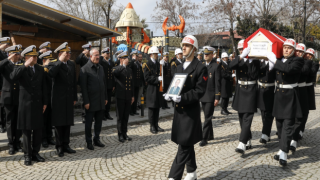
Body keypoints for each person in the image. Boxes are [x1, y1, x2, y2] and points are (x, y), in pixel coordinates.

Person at [164, 35, 207, 180]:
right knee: (186, 142)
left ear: (194, 49)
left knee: (184, 145)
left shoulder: (200, 68)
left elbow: (199, 91)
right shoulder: (179, 67)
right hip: (179, 112)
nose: (183, 48)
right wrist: (170, 94)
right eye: (183, 45)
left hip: (190, 113)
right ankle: (192, 171)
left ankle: (173, 177)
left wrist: (183, 98)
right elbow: (175, 85)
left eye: (187, 46)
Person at [267, 39, 304, 166]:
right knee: (279, 126)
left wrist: (275, 61)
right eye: (284, 48)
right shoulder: (279, 60)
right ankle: (281, 148)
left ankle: (283, 152)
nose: (286, 50)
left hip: (290, 97)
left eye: (289, 48)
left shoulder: (298, 60)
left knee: (288, 125)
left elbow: (288, 69)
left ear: (293, 50)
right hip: (278, 96)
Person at [10, 45, 48, 166]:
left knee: (37, 130)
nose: (35, 58)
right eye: (32, 56)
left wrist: (45, 102)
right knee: (26, 131)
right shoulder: (20, 68)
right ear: (26, 57)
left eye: (36, 56)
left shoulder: (40, 69)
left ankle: (36, 153)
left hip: (38, 103)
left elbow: (44, 87)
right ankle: (27, 155)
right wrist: (25, 65)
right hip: (25, 104)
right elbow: (13, 77)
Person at [45, 42, 78, 156]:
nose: (69, 55)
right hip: (58, 99)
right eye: (66, 53)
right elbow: (51, 74)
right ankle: (59, 146)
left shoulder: (71, 64)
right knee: (59, 124)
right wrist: (60, 61)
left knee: (67, 122)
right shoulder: (53, 64)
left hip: (68, 98)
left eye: (69, 53)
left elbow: (73, 82)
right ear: (60, 54)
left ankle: (66, 144)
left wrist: (74, 97)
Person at [229, 39, 260, 155]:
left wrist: (251, 61)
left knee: (247, 117)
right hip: (240, 90)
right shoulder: (239, 59)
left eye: (243, 49)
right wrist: (241, 56)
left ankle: (242, 143)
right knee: (241, 116)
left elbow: (254, 75)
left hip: (251, 90)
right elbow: (230, 66)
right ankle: (248, 139)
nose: (242, 51)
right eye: (240, 49)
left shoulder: (255, 60)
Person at [79, 48, 108, 150]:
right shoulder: (84, 69)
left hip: (100, 100)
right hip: (90, 102)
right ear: (90, 56)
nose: (98, 57)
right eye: (95, 55)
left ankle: (97, 139)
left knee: (99, 122)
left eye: (98, 55)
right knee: (88, 123)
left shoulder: (101, 67)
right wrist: (86, 101)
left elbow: (103, 84)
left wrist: (105, 97)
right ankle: (89, 141)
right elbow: (84, 88)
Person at [0, 44, 23, 155]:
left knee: (18, 121)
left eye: (18, 53)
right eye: (16, 54)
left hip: (19, 97)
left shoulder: (21, 64)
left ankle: (17, 142)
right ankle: (11, 144)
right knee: (9, 122)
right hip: (8, 97)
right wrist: (7, 59)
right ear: (11, 54)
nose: (18, 56)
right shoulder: (5, 64)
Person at [289, 44, 312, 152]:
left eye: (300, 52)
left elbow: (305, 71)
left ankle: (294, 138)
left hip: (301, 91)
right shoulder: (291, 60)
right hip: (290, 89)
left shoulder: (306, 62)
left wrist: (293, 67)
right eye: (297, 51)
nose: (298, 53)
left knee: (300, 114)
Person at [199, 46, 221, 147]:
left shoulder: (215, 66)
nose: (206, 56)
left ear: (212, 55)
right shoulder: (202, 65)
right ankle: (210, 135)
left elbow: (217, 83)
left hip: (211, 96)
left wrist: (217, 97)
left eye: (208, 54)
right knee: (207, 116)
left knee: (207, 117)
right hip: (203, 95)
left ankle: (204, 138)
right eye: (205, 54)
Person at [112, 51, 134, 142]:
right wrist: (122, 65)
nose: (127, 60)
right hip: (120, 96)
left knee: (126, 116)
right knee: (120, 117)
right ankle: (120, 134)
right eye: (125, 58)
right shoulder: (116, 68)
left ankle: (125, 133)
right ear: (121, 59)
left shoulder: (129, 70)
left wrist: (132, 95)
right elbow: (116, 74)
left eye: (127, 58)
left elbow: (132, 84)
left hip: (128, 96)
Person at [297, 48, 319, 139]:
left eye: (310, 55)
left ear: (313, 57)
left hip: (308, 88)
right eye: (307, 54)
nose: (308, 55)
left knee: (305, 111)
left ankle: (301, 129)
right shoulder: (299, 61)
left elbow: (312, 72)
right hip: (299, 87)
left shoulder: (314, 64)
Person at [143, 46, 165, 134]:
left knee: (157, 107)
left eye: (157, 54)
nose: (157, 55)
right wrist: (156, 79)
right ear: (151, 54)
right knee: (152, 108)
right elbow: (146, 77)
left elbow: (163, 72)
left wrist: (164, 65)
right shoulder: (147, 64)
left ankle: (156, 124)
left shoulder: (157, 63)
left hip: (157, 89)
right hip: (151, 89)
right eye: (155, 54)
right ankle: (152, 125)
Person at [257, 56, 276, 145]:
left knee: (269, 112)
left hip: (270, 88)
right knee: (263, 112)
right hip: (261, 88)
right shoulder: (259, 62)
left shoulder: (274, 60)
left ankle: (265, 134)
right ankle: (267, 133)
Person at [39, 51, 56, 148]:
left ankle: (50, 137)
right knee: (44, 120)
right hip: (44, 98)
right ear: (44, 60)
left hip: (51, 97)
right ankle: (43, 138)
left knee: (50, 119)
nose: (51, 62)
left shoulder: (50, 69)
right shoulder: (42, 70)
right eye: (49, 60)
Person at [99, 47, 115, 120]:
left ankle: (107, 113)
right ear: (103, 54)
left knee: (108, 100)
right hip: (103, 83)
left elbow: (112, 74)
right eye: (107, 53)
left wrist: (113, 84)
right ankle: (102, 114)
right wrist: (101, 56)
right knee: (103, 100)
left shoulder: (110, 62)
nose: (108, 55)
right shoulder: (101, 61)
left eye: (109, 53)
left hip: (109, 83)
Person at [129, 50, 139, 116]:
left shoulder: (137, 63)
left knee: (136, 97)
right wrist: (132, 60)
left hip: (137, 83)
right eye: (136, 56)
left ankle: (134, 110)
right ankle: (131, 111)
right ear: (133, 56)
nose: (137, 57)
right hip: (133, 83)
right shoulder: (131, 62)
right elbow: (129, 67)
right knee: (132, 97)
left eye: (137, 56)